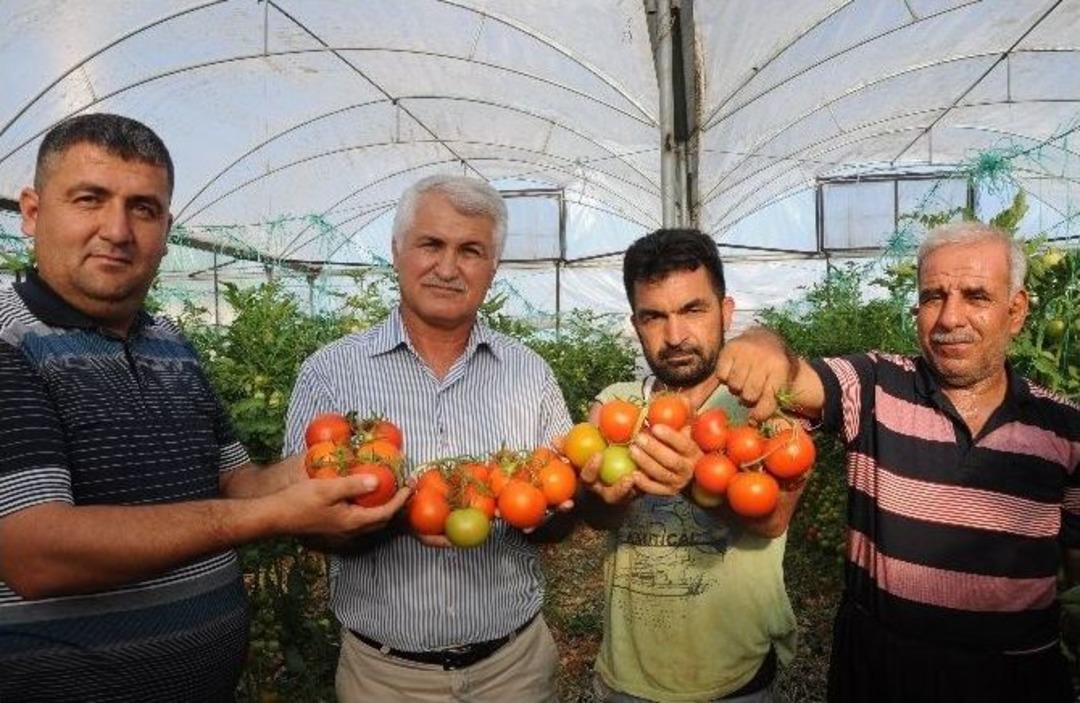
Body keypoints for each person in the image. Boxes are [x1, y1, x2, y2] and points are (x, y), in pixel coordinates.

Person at [0, 113, 409, 703]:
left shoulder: (169, 343)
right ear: (33, 213)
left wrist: (330, 465)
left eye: (143, 208)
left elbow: (239, 484)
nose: (117, 229)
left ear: (166, 227)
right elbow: (33, 553)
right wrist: (280, 516)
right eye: (90, 199)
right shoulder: (10, 340)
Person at [716, 221, 1079, 702]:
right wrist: (761, 342)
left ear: (1016, 312)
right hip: (882, 674)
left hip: (1014, 681)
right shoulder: (874, 386)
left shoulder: (1064, 430)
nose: (949, 318)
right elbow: (798, 377)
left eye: (976, 296)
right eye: (933, 297)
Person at [284, 174, 574, 702]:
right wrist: (399, 517)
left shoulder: (530, 373)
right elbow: (305, 524)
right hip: (386, 678)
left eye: (470, 250)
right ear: (397, 251)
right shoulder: (330, 375)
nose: (447, 267)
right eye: (430, 244)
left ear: (493, 268)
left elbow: (559, 513)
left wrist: (553, 505)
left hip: (514, 669)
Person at [579, 229, 804, 703]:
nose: (675, 336)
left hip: (737, 679)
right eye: (654, 317)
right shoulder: (615, 407)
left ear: (726, 312)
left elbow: (774, 516)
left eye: (693, 310)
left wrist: (694, 481)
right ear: (636, 324)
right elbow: (596, 515)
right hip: (629, 680)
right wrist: (607, 502)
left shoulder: (759, 405)